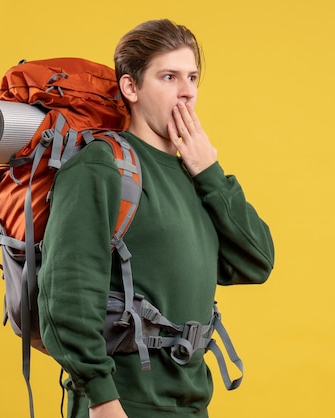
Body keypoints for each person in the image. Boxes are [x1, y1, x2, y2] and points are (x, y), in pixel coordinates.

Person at [37, 19, 275, 418]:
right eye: (169, 76)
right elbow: (66, 295)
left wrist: (209, 170)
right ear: (131, 87)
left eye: (192, 77)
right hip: (123, 405)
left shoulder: (192, 174)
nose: (186, 92)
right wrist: (102, 400)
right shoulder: (100, 165)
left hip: (191, 404)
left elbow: (257, 260)